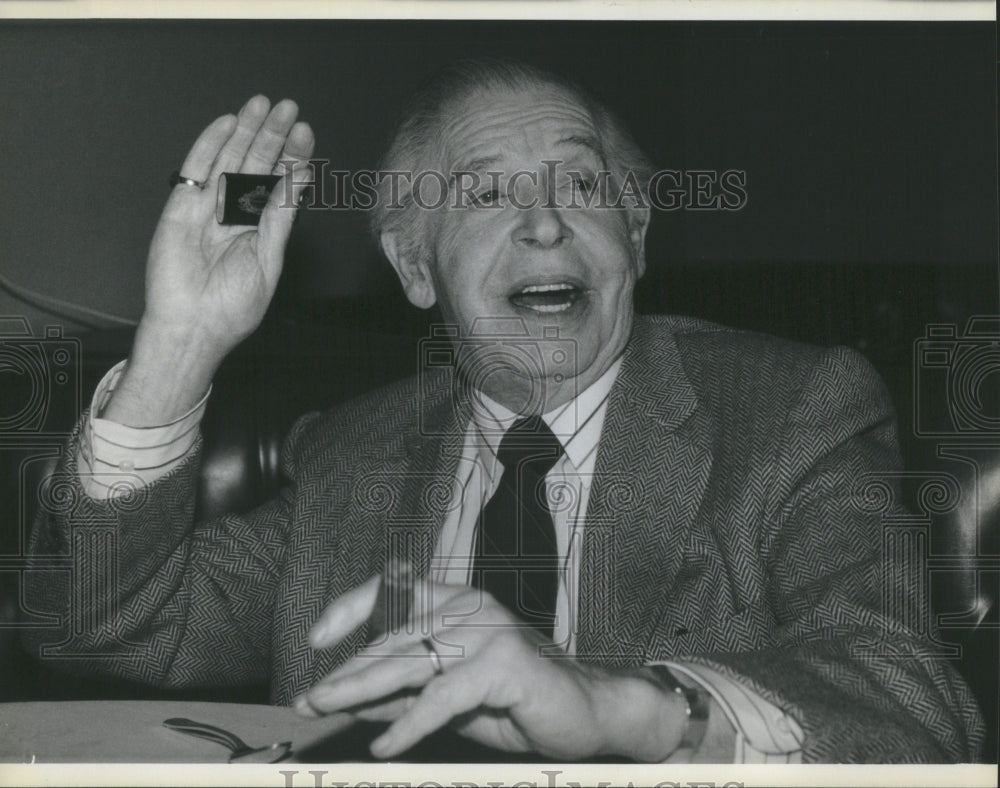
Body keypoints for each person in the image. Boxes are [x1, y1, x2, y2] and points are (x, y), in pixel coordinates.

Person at [23, 60, 983, 763]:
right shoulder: (354, 454)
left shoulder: (793, 410)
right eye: (484, 194)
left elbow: (916, 706)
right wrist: (176, 353)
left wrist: (632, 712)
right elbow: (98, 625)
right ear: (413, 268)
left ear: (636, 239)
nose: (545, 221)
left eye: (581, 185)